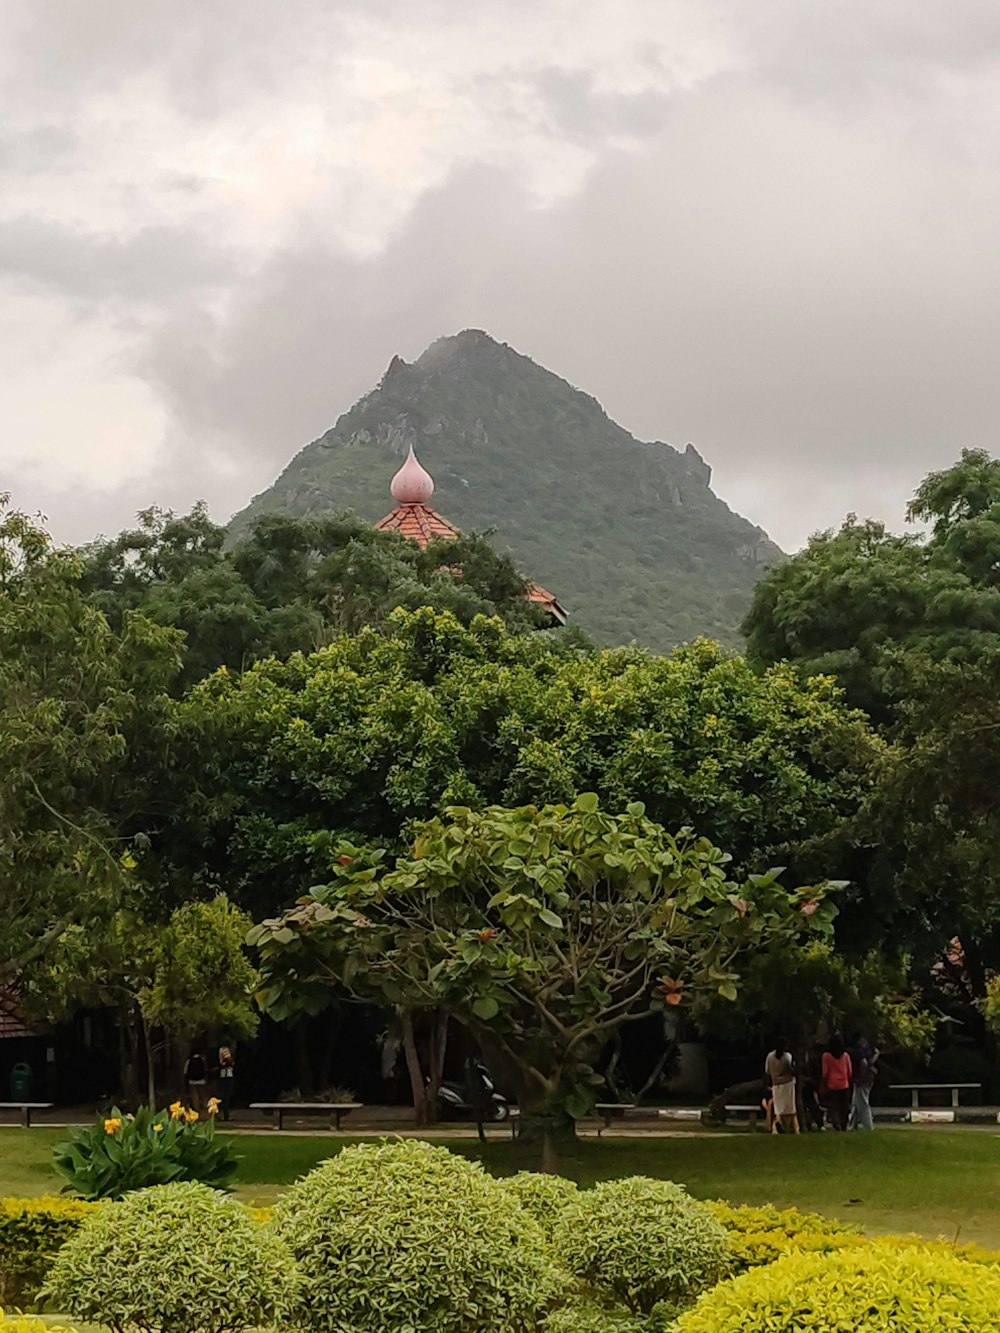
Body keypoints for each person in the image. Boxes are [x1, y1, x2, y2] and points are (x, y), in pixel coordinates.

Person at [764, 1038, 799, 1134]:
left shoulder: (770, 1056)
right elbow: (792, 1070)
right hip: (788, 1084)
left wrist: (768, 1084)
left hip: (776, 1084)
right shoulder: (787, 1056)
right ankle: (795, 1128)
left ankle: (776, 1126)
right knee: (791, 1109)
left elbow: (767, 1071)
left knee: (778, 1109)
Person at [821, 1034, 853, 1131]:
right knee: (844, 1106)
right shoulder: (846, 1056)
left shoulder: (826, 1056)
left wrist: (825, 1082)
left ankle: (836, 1123)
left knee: (833, 1106)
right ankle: (844, 1124)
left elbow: (825, 1072)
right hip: (844, 1084)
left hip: (832, 1084)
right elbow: (849, 1071)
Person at [850, 1034, 878, 1131]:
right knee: (856, 1102)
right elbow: (872, 1058)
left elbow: (863, 1063)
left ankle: (868, 1126)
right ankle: (852, 1125)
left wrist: (860, 1077)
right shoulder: (868, 1048)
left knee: (863, 1103)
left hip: (862, 1079)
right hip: (868, 1078)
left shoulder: (858, 1050)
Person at [184, 1049, 208, 1115]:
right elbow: (205, 1070)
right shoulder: (202, 1060)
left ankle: (197, 1111)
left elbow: (185, 1072)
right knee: (203, 1096)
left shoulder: (189, 1061)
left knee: (195, 1097)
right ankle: (206, 1111)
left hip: (192, 1081)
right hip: (201, 1081)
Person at [215, 1044, 236, 1121]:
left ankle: (223, 1113)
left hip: (226, 1076)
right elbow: (228, 1061)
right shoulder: (224, 1049)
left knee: (225, 1096)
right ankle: (224, 1114)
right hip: (226, 1076)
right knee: (225, 1096)